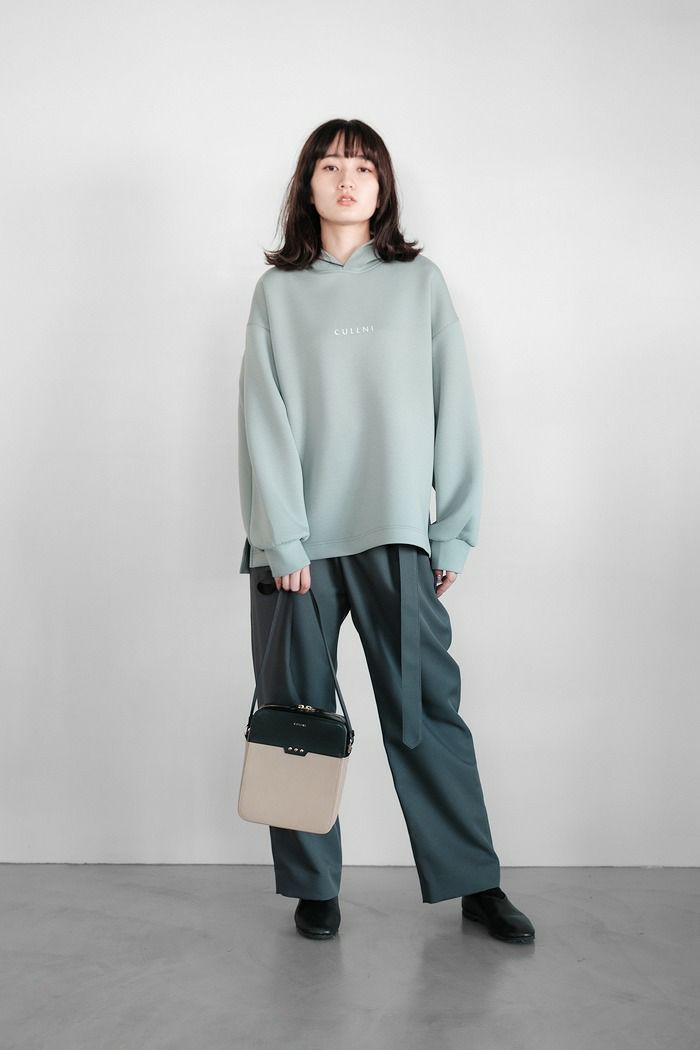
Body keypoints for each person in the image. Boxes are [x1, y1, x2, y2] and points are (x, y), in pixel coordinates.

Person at [237, 118, 535, 945]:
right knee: (296, 721)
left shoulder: (419, 285)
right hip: (297, 550)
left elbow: (455, 410)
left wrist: (454, 532)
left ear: (382, 187)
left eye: (363, 167)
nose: (346, 179)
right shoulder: (276, 293)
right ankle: (313, 888)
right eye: (330, 165)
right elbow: (262, 420)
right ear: (307, 185)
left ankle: (474, 882)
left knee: (426, 710)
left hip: (397, 535)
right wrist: (282, 540)